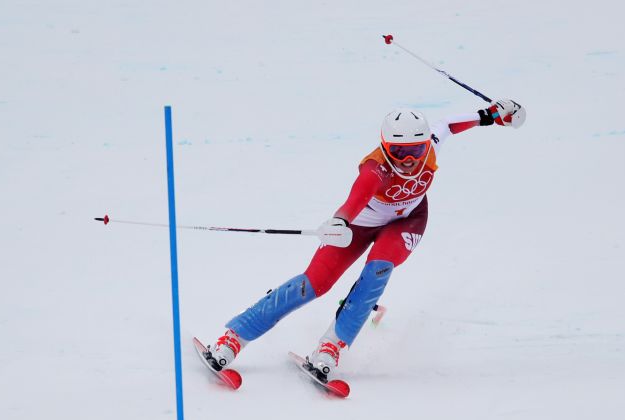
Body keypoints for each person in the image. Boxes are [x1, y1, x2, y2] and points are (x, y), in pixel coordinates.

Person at [204, 99, 525, 381]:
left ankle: (331, 347)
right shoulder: (376, 170)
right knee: (314, 283)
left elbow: (448, 125)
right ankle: (233, 337)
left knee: (375, 274)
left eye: (415, 150)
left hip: (407, 222)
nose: (409, 159)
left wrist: (491, 115)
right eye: (399, 152)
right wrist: (339, 223)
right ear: (386, 147)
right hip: (358, 225)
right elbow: (353, 203)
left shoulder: (430, 146)